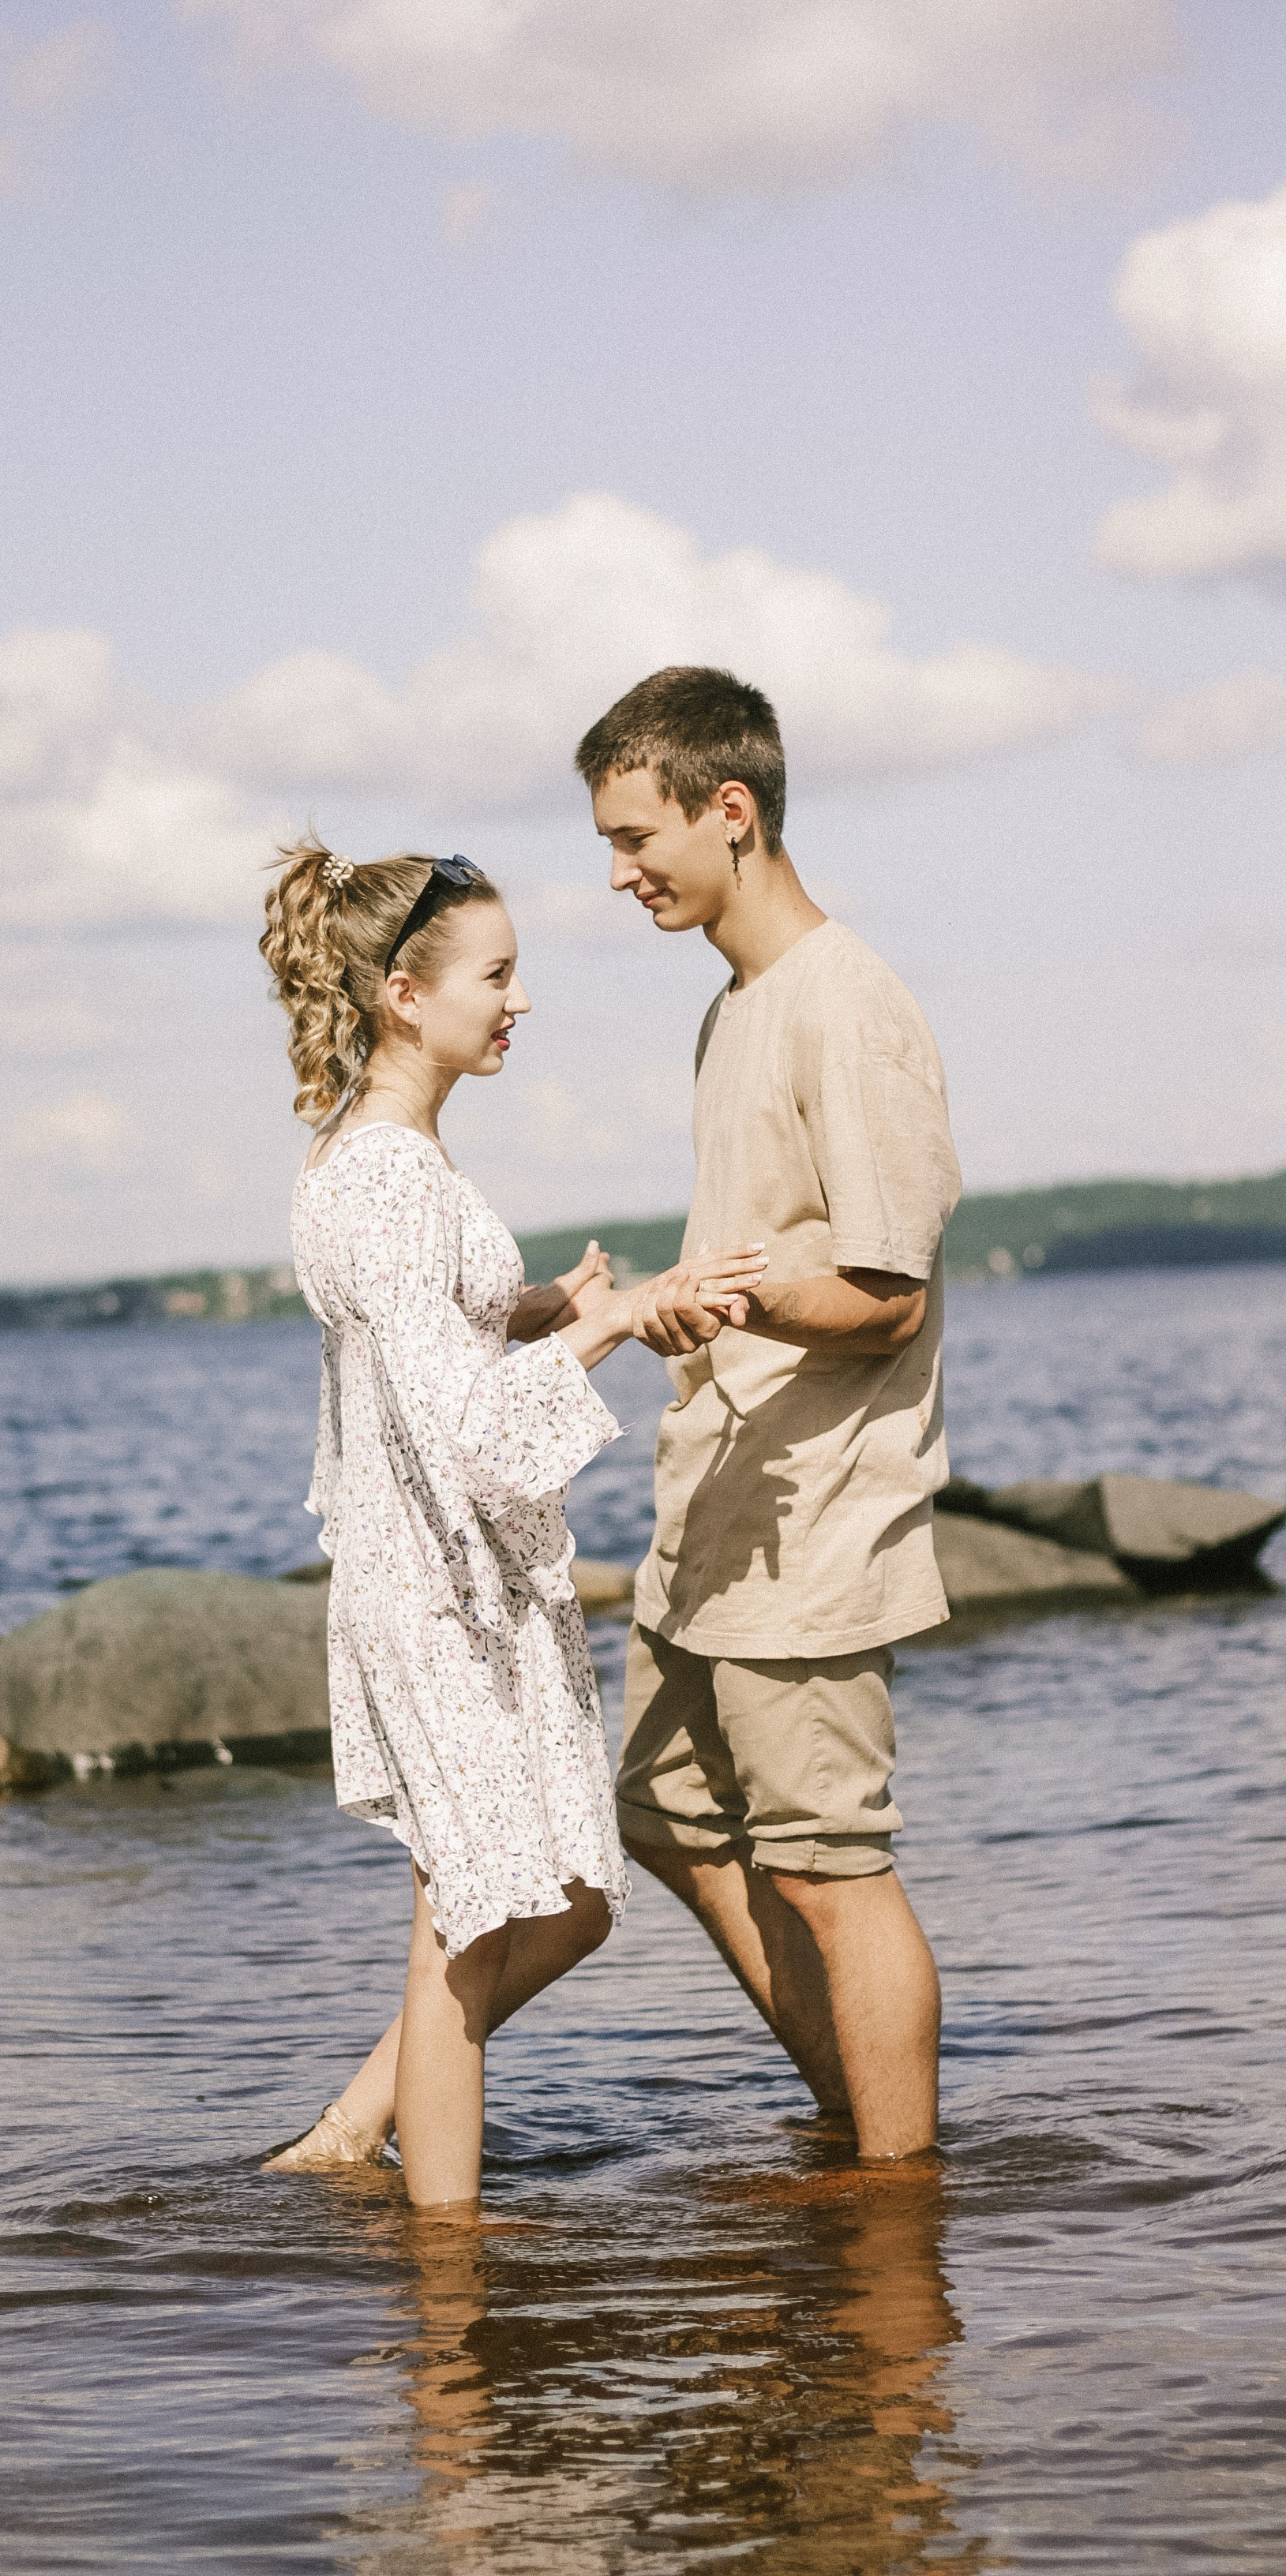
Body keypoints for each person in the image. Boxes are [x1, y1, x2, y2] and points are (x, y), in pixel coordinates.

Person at [257, 837, 766, 2209]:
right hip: (435, 1597)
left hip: (449, 1581)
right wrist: (607, 1326)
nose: (518, 1000)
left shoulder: (379, 1162)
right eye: (497, 973)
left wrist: (533, 1312)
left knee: (563, 1907)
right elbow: (471, 1437)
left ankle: (353, 2137)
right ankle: (448, 2281)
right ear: (403, 996)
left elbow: (421, 1363)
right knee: (464, 1929)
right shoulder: (388, 1183)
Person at [579, 665, 962, 2162]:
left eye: (635, 838)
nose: (618, 875)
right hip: (714, 1502)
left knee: (829, 1867)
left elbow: (889, 1296)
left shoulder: (848, 1007)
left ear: (729, 812)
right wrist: (690, 1301)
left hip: (820, 1509)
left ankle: (897, 2189)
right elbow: (769, 1252)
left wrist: (734, 1297)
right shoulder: (732, 1010)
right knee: (663, 1815)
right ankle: (854, 2114)